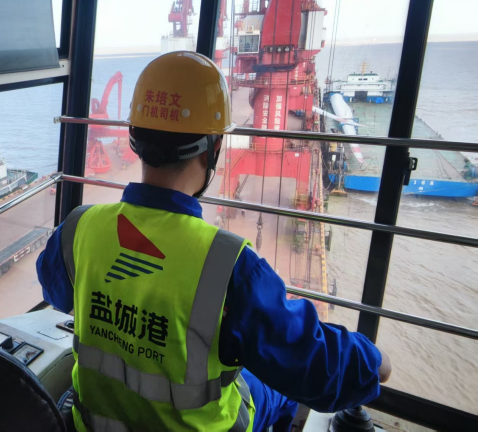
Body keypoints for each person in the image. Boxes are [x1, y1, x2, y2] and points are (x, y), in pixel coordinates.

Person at [37, 52, 391, 432]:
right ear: (213, 148)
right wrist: (373, 362)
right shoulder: (228, 265)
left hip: (91, 425)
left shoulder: (78, 228)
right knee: (278, 389)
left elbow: (57, 293)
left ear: (134, 139)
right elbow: (310, 362)